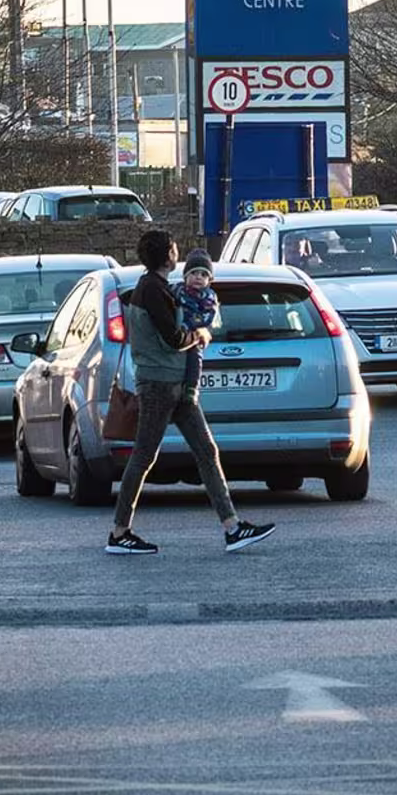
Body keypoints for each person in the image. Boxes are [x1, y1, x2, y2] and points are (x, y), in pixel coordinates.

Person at [105, 231, 270, 558]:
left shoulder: (158, 287)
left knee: (206, 450)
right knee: (143, 456)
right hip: (158, 385)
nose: (176, 252)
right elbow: (173, 338)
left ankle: (232, 527)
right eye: (173, 248)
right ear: (167, 255)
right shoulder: (152, 289)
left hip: (177, 387)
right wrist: (200, 334)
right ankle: (119, 533)